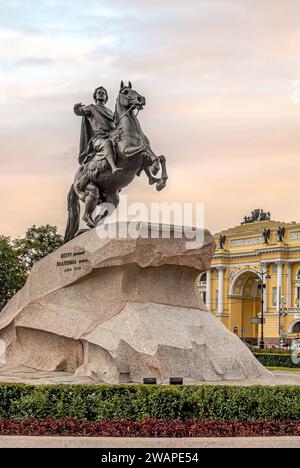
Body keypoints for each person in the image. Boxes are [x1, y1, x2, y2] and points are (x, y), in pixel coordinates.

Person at [74, 86, 122, 174]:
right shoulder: (91, 108)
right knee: (107, 144)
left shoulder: (110, 112)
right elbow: (79, 112)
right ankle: (114, 167)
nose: (101, 94)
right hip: (99, 139)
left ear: (106, 97)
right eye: (99, 93)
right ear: (95, 96)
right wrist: (76, 108)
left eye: (103, 93)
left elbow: (116, 125)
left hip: (111, 136)